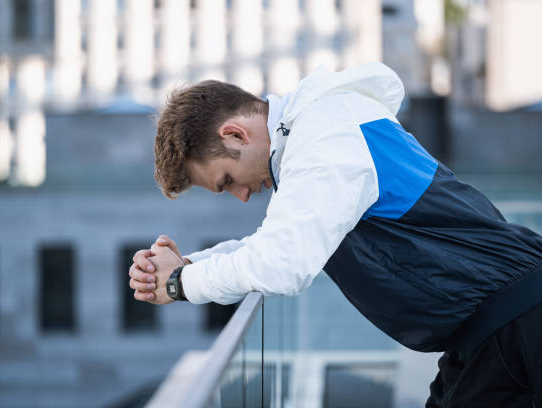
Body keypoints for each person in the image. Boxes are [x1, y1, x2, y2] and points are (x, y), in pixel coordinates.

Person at [128, 62, 542, 407]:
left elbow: (281, 264)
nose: (241, 196)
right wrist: (189, 266)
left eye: (227, 180)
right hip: (491, 330)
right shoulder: (314, 134)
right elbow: (275, 242)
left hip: (514, 323)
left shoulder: (324, 137)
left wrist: (180, 284)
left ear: (235, 135)